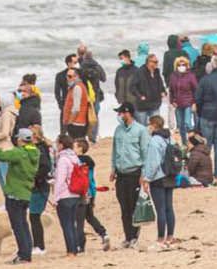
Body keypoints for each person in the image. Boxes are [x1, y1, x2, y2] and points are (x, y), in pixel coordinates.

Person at [0, 126, 41, 263]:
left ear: (20, 140)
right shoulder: (35, 152)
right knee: (23, 224)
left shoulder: (19, 153)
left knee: (18, 225)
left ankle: (24, 255)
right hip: (25, 193)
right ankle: (26, 253)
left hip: (15, 193)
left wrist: (0, 145)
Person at [108, 105, 147, 246]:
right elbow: (114, 151)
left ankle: (134, 237)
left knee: (133, 207)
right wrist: (113, 169)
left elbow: (145, 153)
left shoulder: (141, 130)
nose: (119, 115)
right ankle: (127, 236)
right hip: (121, 174)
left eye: (120, 112)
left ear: (128, 113)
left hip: (134, 173)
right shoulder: (118, 130)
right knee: (124, 208)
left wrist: (144, 174)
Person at [140, 119, 179, 248]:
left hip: (158, 177)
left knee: (160, 209)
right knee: (169, 207)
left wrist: (146, 178)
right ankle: (170, 236)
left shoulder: (154, 141)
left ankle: (160, 238)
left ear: (154, 125)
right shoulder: (170, 138)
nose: (148, 127)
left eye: (149, 124)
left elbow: (153, 162)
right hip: (170, 175)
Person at [71, 138, 110, 248]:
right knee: (89, 216)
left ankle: (80, 244)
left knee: (79, 219)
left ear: (80, 148)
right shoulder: (89, 162)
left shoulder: (76, 161)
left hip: (82, 192)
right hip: (91, 192)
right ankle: (104, 233)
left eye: (74, 146)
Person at [51, 132, 85, 255]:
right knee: (72, 223)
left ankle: (71, 250)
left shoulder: (63, 159)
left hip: (65, 195)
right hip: (75, 194)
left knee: (66, 224)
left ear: (61, 145)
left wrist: (55, 198)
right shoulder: (75, 157)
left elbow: (60, 180)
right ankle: (75, 248)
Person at [60, 63, 98, 140]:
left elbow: (76, 108)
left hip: (76, 123)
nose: (67, 78)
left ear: (76, 76)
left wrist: (70, 122)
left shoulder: (77, 87)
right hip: (78, 123)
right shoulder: (76, 86)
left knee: (76, 145)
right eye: (67, 76)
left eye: (70, 76)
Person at [129, 54, 165, 125]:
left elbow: (160, 84)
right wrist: (140, 96)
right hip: (143, 105)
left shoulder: (156, 72)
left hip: (155, 103)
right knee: (142, 126)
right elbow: (132, 87)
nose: (157, 64)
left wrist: (163, 92)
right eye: (155, 62)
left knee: (156, 125)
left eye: (157, 62)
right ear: (148, 62)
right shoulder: (139, 72)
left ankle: (154, 136)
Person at [167, 57, 197, 138]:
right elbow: (171, 90)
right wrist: (172, 101)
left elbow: (195, 90)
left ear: (187, 66)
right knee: (180, 125)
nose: (181, 66)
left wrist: (194, 102)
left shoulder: (191, 76)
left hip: (188, 102)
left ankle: (193, 140)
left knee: (187, 123)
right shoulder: (173, 76)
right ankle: (184, 143)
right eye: (179, 65)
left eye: (183, 65)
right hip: (178, 103)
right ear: (176, 66)